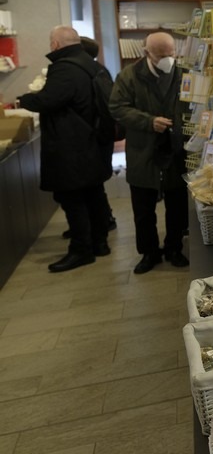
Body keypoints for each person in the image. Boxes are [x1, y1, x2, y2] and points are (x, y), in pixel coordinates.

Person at [18, 26, 113, 272]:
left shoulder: (64, 68)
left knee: (73, 198)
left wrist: (23, 100)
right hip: (95, 142)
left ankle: (81, 250)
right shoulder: (94, 66)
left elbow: (48, 100)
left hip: (72, 146)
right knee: (93, 194)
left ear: (56, 44)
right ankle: (100, 243)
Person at [109, 31, 189, 274]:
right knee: (143, 209)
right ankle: (149, 253)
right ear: (147, 53)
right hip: (142, 150)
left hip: (177, 151)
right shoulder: (129, 75)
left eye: (171, 54)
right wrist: (148, 121)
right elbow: (117, 107)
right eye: (161, 56)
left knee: (177, 205)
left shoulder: (184, 73)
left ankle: (174, 248)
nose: (168, 60)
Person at [60, 36, 117, 240]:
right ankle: (102, 221)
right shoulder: (100, 70)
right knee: (95, 186)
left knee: (91, 187)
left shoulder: (85, 73)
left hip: (94, 138)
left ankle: (98, 224)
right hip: (103, 136)